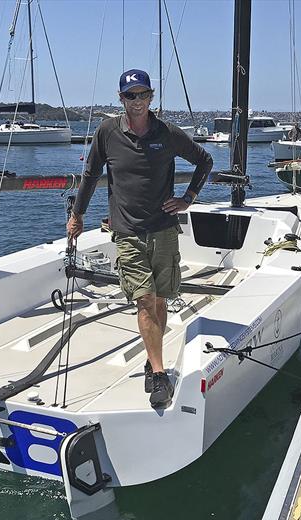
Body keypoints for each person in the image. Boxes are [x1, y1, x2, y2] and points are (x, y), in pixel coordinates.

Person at [67, 68, 213, 409]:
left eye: (143, 94)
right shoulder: (107, 132)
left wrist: (189, 198)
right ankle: (160, 374)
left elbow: (204, 160)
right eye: (130, 95)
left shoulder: (167, 133)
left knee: (161, 299)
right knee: (145, 300)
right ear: (121, 99)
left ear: (152, 97)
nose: (137, 101)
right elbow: (90, 175)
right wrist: (77, 213)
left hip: (163, 229)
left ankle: (152, 358)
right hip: (127, 231)